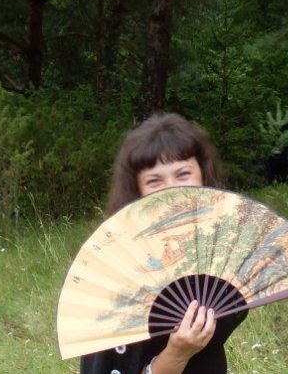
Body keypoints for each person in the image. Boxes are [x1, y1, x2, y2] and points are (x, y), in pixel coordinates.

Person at [80, 113, 248, 374]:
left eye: (183, 174)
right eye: (155, 181)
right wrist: (176, 354)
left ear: (202, 176)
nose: (171, 189)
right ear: (137, 189)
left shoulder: (220, 247)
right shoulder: (116, 268)